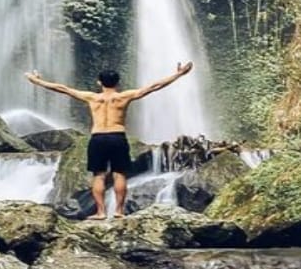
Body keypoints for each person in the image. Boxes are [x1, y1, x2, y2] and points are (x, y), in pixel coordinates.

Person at [25, 62, 194, 219]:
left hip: (98, 137)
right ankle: (119, 211)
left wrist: (36, 81)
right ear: (118, 82)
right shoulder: (124, 97)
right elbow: (153, 87)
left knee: (98, 175)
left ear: (99, 82)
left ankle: (101, 212)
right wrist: (178, 75)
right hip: (117, 136)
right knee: (119, 173)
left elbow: (62, 89)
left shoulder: (92, 97)